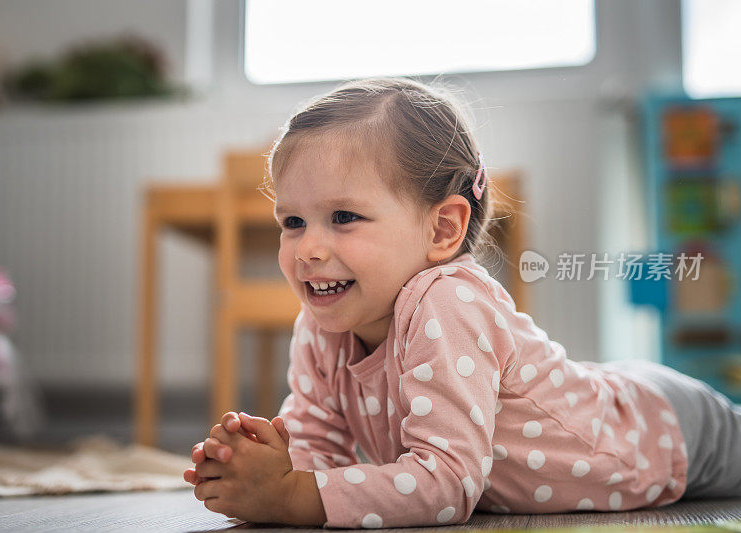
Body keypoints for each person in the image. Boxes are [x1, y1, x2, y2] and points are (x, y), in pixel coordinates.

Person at [183, 77, 741, 528]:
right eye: (293, 222)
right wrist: (262, 470)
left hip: (663, 434)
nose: (308, 248)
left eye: (343, 218)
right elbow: (316, 452)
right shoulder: (321, 324)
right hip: (612, 390)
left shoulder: (445, 302)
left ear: (442, 229)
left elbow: (447, 485)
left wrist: (290, 497)